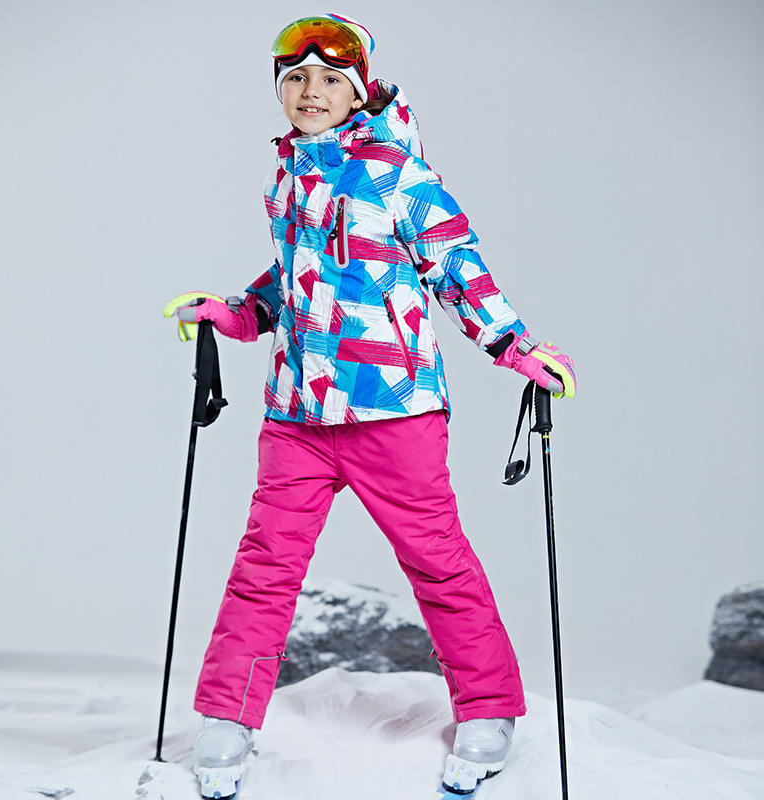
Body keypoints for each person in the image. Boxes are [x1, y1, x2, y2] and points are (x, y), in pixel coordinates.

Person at [164, 12, 576, 799]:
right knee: (263, 567)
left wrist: (515, 346)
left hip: (396, 410)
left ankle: (490, 708)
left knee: (438, 561)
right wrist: (238, 312)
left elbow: (458, 269)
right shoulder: (285, 177)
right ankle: (227, 717)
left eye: (329, 79)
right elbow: (294, 276)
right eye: (295, 78)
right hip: (297, 414)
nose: (310, 91)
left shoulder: (399, 174)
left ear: (357, 91)